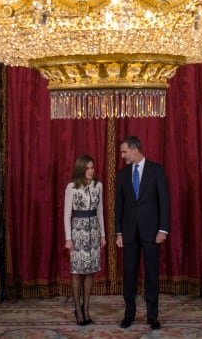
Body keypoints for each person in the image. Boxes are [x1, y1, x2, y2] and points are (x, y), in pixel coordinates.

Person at [115, 136, 170, 331]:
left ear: (135, 150)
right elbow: (119, 206)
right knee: (129, 275)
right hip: (129, 233)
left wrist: (163, 229)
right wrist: (118, 232)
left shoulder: (157, 170)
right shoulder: (122, 175)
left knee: (152, 275)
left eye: (124, 152)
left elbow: (164, 201)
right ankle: (129, 315)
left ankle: (152, 316)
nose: (122, 156)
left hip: (152, 233)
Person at [63, 155, 106, 326]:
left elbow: (100, 211)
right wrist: (68, 238)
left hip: (94, 232)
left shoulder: (98, 186)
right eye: (87, 168)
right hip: (77, 233)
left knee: (90, 272)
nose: (90, 171)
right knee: (77, 272)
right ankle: (78, 310)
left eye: (92, 168)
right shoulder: (71, 187)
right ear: (81, 169)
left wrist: (102, 234)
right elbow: (67, 214)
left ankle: (86, 308)